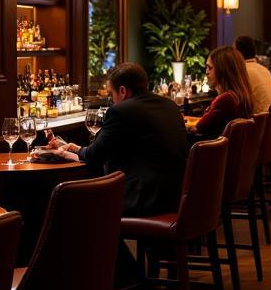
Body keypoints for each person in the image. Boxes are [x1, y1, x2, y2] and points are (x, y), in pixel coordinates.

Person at [50, 62, 188, 217]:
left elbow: (95, 155)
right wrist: (76, 149)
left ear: (122, 90)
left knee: (74, 204)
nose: (112, 100)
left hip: (142, 200)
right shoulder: (170, 105)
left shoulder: (121, 111)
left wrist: (71, 153)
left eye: (112, 94)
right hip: (176, 197)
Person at [188, 46, 254, 139]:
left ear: (223, 70)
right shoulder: (240, 96)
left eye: (209, 68)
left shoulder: (226, 99)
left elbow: (197, 128)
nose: (206, 72)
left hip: (213, 152)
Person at [235, 34, 271, 114]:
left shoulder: (242, 71)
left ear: (238, 53)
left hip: (262, 123)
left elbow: (236, 100)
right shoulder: (264, 69)